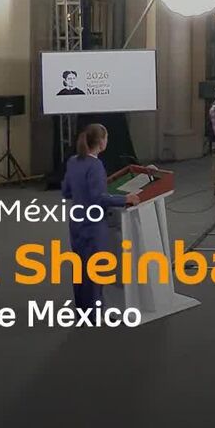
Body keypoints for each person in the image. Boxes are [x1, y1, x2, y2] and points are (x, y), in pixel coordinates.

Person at [62, 123, 141, 310]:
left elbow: (67, 191)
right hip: (93, 224)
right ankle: (93, 314)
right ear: (101, 142)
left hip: (76, 221)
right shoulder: (96, 165)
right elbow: (99, 198)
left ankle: (82, 310)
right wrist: (125, 199)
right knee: (94, 270)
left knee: (80, 267)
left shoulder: (73, 161)